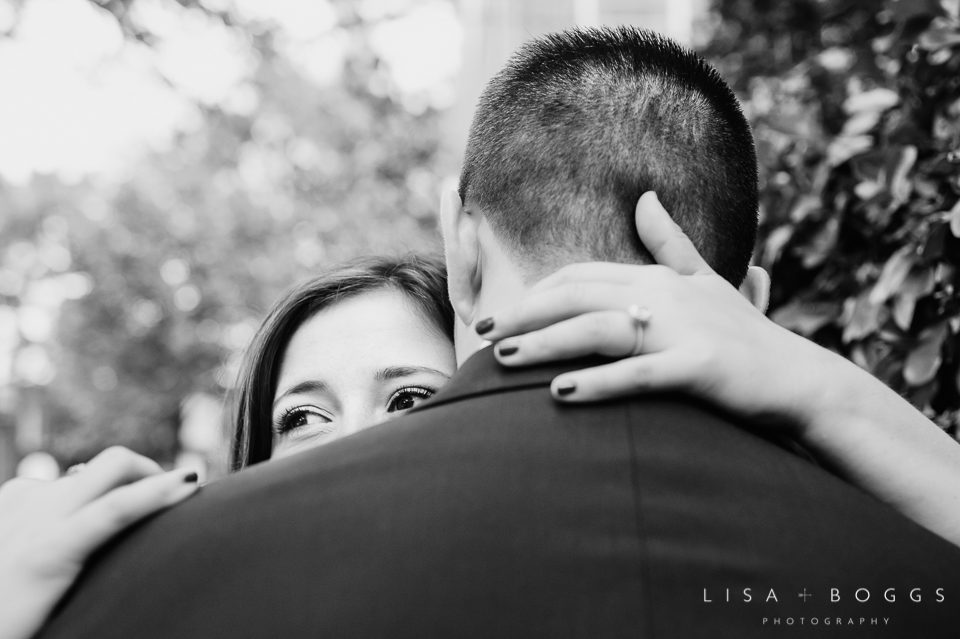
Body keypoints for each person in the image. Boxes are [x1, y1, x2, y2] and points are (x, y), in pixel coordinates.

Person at [32, 26, 960, 638]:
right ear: (750, 298)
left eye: (408, 395)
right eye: (302, 415)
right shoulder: (902, 573)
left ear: (461, 253)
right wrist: (830, 389)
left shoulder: (139, 592)